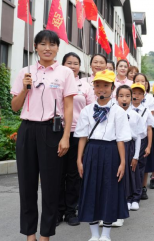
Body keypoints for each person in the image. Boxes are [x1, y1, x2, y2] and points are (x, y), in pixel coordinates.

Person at [10, 30, 77, 241]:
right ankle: (30, 234)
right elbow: (14, 107)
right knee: (27, 185)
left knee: (51, 186)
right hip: (27, 130)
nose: (47, 48)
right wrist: (24, 89)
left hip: (52, 130)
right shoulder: (25, 72)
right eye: (43, 44)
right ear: (36, 46)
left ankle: (46, 235)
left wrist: (66, 136)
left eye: (52, 44)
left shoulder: (65, 73)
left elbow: (68, 107)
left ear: (58, 48)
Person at [75, 70, 131, 241]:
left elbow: (121, 139)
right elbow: (83, 137)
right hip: (92, 151)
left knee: (110, 190)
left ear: (113, 88)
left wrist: (122, 162)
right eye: (98, 85)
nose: (101, 89)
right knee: (90, 189)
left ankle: (106, 234)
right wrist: (79, 159)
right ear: (93, 87)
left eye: (106, 85)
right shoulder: (86, 110)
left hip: (111, 152)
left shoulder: (118, 111)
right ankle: (94, 234)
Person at [58, 52, 95, 227]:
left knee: (74, 173)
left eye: (75, 63)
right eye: (69, 63)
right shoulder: (56, 82)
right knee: (57, 173)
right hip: (57, 132)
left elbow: (91, 111)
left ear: (80, 67)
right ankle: (57, 211)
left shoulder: (85, 86)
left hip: (78, 134)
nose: (72, 66)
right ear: (62, 64)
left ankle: (71, 211)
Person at [114, 85, 144, 226]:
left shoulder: (136, 115)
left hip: (130, 146)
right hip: (116, 146)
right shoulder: (112, 113)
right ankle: (123, 199)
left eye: (127, 96)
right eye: (121, 96)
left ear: (131, 98)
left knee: (132, 172)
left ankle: (134, 198)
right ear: (116, 97)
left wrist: (136, 156)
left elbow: (138, 137)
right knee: (120, 173)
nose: (124, 99)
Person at [130, 83, 154, 203]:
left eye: (140, 93)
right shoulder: (125, 109)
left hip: (143, 141)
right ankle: (128, 192)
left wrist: (149, 146)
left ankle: (137, 193)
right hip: (129, 141)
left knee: (140, 167)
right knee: (129, 166)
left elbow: (149, 129)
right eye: (134, 93)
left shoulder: (146, 110)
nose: (136, 96)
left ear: (143, 96)